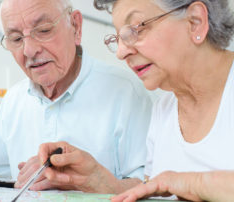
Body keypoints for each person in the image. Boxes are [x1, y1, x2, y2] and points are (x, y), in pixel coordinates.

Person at [0, 0, 153, 192]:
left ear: (76, 27)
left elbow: (151, 186)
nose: (29, 50)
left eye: (43, 30)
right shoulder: (15, 98)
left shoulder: (126, 92)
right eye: (16, 38)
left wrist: (86, 181)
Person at [38, 0, 234, 201]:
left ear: (195, 21)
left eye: (136, 29)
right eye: (119, 38)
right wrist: (97, 179)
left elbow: (169, 183)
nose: (121, 52)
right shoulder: (164, 108)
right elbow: (156, 192)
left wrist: (188, 183)